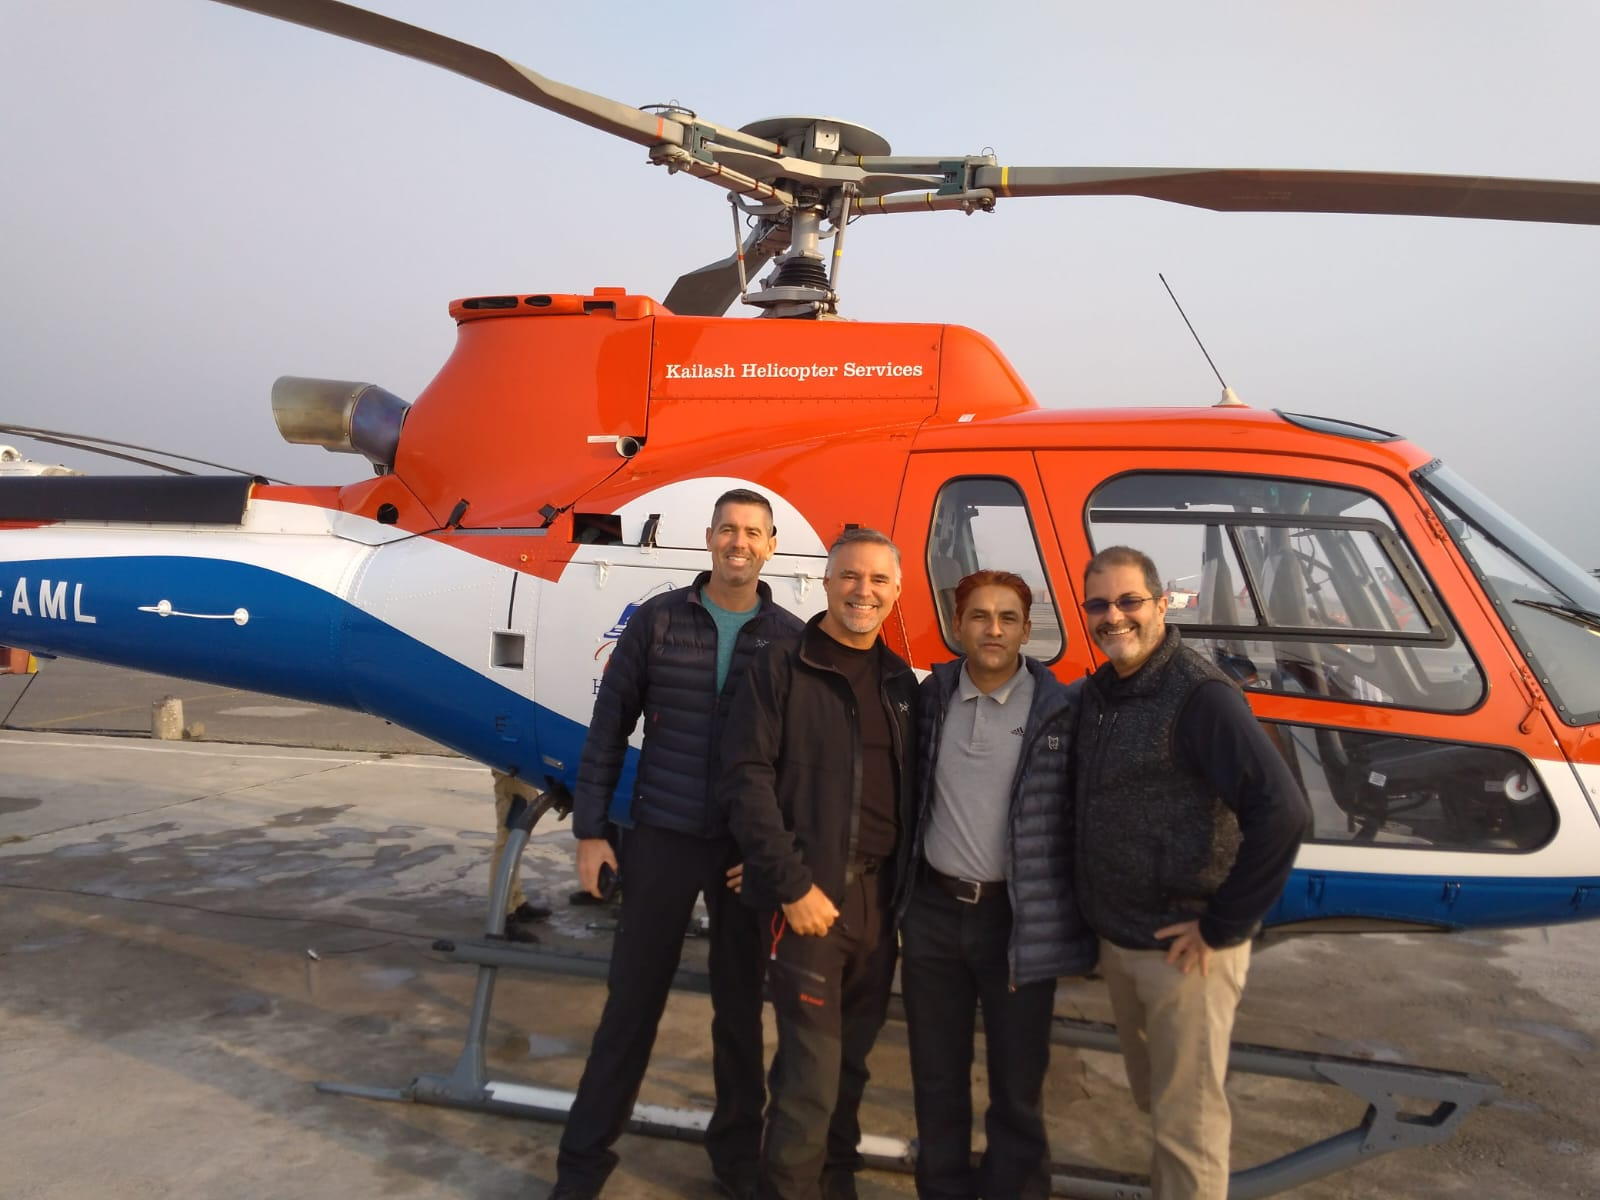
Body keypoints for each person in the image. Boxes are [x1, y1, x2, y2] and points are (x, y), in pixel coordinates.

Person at [547, 489, 804, 1200]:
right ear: (710, 538)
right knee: (629, 1008)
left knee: (739, 1017)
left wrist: (770, 856)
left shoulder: (787, 637)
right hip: (657, 837)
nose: (739, 543)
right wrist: (592, 832)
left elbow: (796, 764)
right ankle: (581, 1167)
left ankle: (737, 1164)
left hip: (739, 854)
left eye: (753, 532)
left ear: (771, 545)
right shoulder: (660, 622)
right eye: (728, 529)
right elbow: (607, 729)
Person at [1074, 546, 1311, 1200]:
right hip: (1125, 942)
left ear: (1160, 604)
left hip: (1186, 953)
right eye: (1098, 604)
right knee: (1161, 1108)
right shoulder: (1103, 692)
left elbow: (1283, 812)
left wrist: (1223, 925)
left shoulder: (1201, 696)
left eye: (1129, 601)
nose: (1113, 616)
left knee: (1189, 1123)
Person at [722, 528, 918, 1200]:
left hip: (879, 901)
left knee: (851, 1072)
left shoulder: (900, 683)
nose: (864, 591)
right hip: (811, 904)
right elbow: (745, 777)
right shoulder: (781, 665)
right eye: (851, 577)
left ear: (897, 591)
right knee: (808, 1080)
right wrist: (789, 881)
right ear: (828, 582)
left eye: (879, 580)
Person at [899, 570, 1096, 1200]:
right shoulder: (931, 699)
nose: (992, 629)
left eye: (1007, 618)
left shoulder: (1058, 710)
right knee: (936, 1078)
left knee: (1017, 1085)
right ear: (957, 626)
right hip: (932, 913)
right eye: (979, 616)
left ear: (1027, 629)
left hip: (1015, 921)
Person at [489, 769, 553, 942]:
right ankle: (503, 914)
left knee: (516, 838)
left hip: (518, 769)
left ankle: (516, 901)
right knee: (508, 839)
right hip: (511, 767)